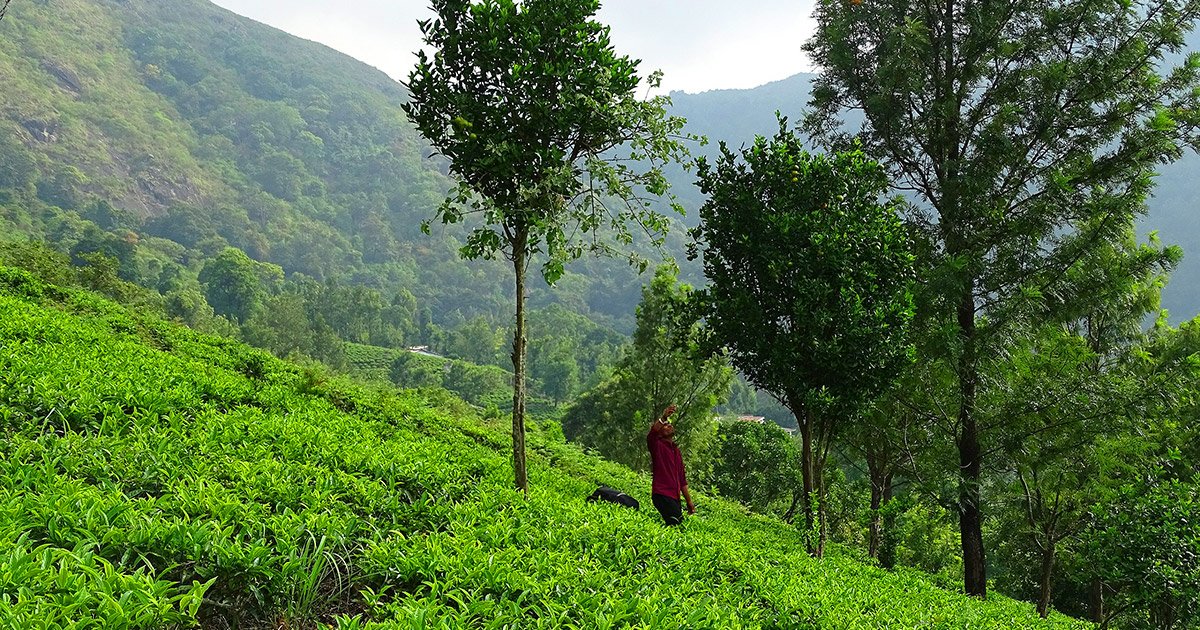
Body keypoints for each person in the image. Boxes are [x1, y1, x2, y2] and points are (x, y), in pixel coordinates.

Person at [647, 403, 695, 526]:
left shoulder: (676, 451)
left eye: (669, 424)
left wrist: (689, 501)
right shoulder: (657, 445)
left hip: (674, 497)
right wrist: (663, 418)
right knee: (677, 524)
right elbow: (652, 433)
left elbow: (682, 479)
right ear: (660, 433)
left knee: (675, 526)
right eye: (665, 426)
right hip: (662, 494)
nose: (668, 425)